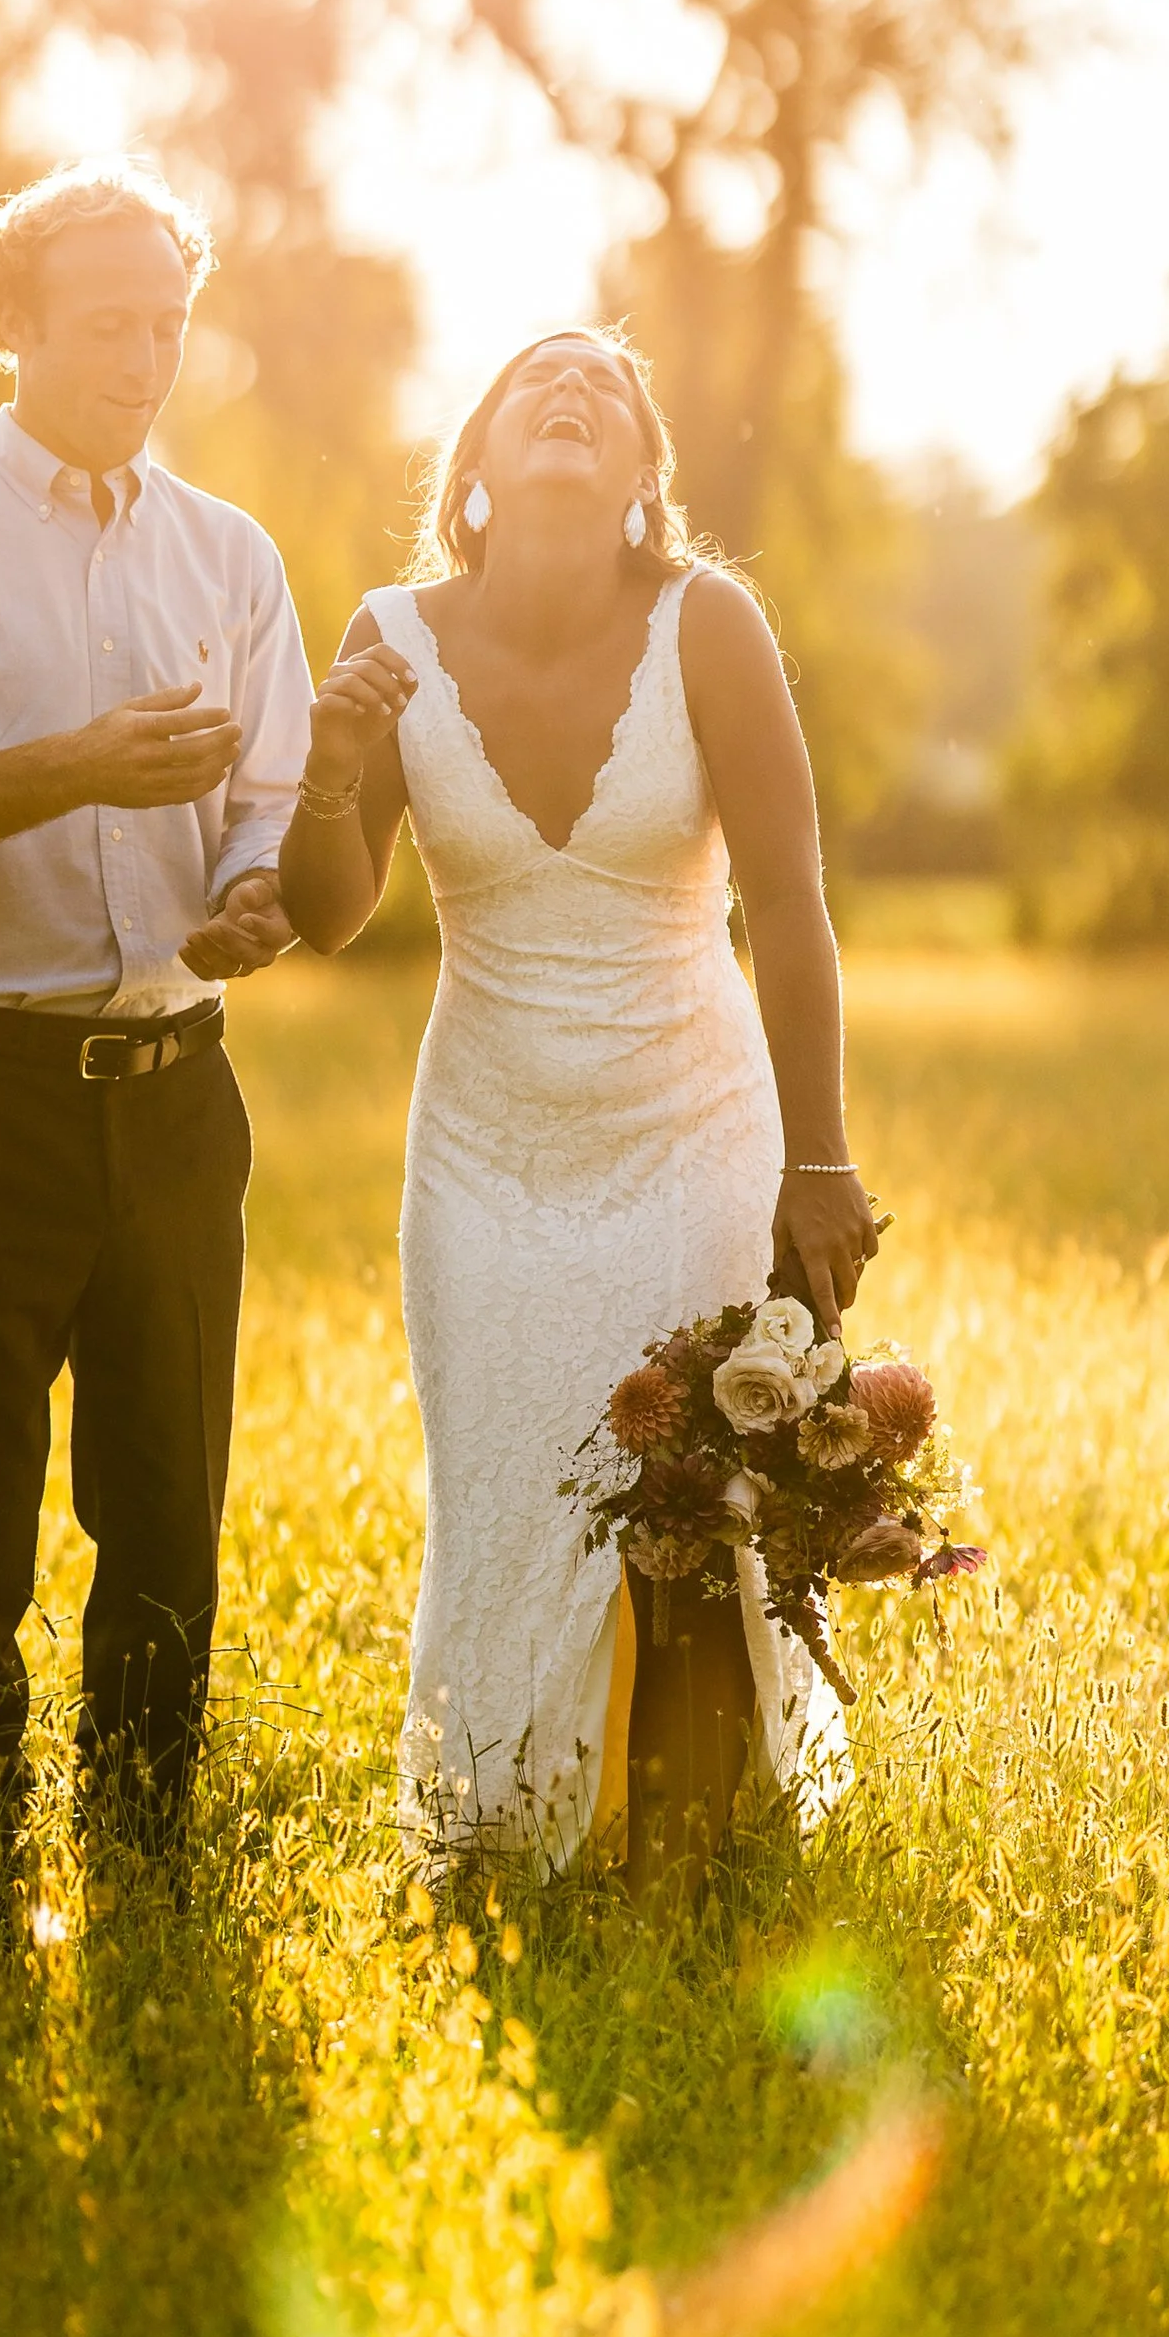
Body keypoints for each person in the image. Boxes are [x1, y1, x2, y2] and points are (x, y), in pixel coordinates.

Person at [278, 328, 877, 1890]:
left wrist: (816, 1156)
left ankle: (682, 1858)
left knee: (686, 1488)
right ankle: (507, 1832)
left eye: (610, 389)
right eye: (537, 381)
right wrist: (333, 766)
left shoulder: (709, 623)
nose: (573, 391)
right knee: (507, 1479)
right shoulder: (390, 636)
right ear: (471, 469)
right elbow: (328, 912)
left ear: (639, 485)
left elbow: (793, 900)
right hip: (481, 1153)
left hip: (691, 1121)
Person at [0, 158, 310, 1851]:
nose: (147, 359)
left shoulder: (233, 559)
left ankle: (145, 1854)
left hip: (178, 1100)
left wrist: (254, 895)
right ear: (7, 322)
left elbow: (271, 801)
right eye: (109, 323)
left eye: (169, 324)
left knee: (169, 1509)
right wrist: (70, 770)